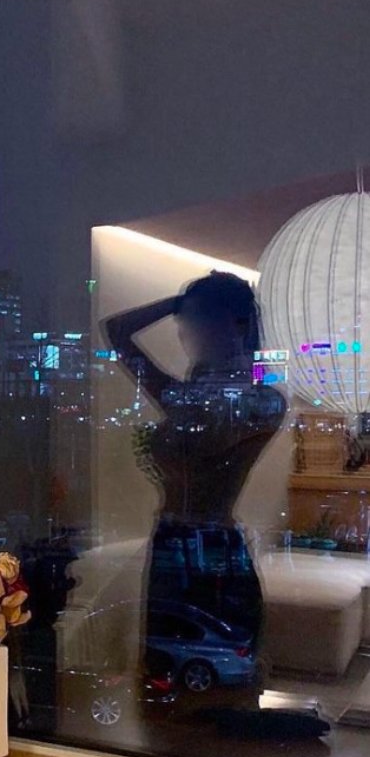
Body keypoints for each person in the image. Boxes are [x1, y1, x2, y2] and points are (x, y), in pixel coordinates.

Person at [103, 272, 286, 706]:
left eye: (203, 320)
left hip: (213, 547)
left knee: (218, 682)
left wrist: (194, 309)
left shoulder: (260, 401)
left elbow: (208, 431)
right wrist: (176, 302)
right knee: (165, 675)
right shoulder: (187, 397)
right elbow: (116, 331)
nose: (189, 332)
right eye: (189, 321)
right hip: (172, 542)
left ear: (237, 325)